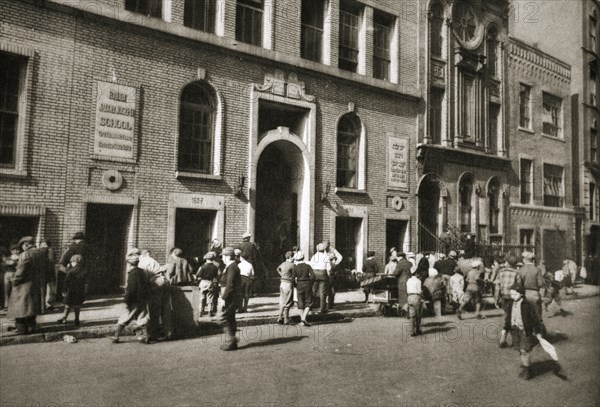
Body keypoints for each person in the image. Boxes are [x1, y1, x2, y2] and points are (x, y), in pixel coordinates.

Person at [7, 236, 50, 334]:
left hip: (23, 286)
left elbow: (20, 272)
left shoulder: (25, 255)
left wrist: (13, 280)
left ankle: (21, 329)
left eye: (22, 246)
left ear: (26, 244)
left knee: (20, 308)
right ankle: (32, 327)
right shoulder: (42, 253)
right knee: (31, 307)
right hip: (37, 285)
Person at [503, 281, 544, 380]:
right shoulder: (510, 304)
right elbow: (508, 318)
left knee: (524, 350)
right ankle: (526, 365)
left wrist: (538, 332)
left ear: (521, 294)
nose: (512, 296)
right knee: (520, 349)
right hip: (515, 330)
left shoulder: (527, 305)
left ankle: (527, 370)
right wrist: (505, 330)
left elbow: (535, 319)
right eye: (511, 294)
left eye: (515, 294)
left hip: (525, 330)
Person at [111, 248, 151, 344]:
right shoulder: (143, 272)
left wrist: (127, 300)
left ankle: (116, 336)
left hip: (133, 301)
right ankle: (144, 336)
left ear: (129, 263)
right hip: (143, 299)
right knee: (142, 318)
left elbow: (131, 289)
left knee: (125, 318)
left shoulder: (132, 274)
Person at [218, 247, 242, 351]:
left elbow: (230, 284)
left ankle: (231, 339)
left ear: (227, 256)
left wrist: (224, 298)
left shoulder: (232, 267)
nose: (222, 258)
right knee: (230, 318)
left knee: (223, 317)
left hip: (230, 296)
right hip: (231, 295)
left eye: (223, 256)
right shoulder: (231, 266)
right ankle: (231, 342)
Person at [496, 254, 521, 348]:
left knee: (508, 316)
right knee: (512, 318)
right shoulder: (516, 272)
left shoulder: (501, 271)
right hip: (513, 297)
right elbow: (519, 286)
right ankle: (511, 339)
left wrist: (496, 298)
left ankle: (505, 338)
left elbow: (497, 286)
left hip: (504, 297)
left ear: (507, 262)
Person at [518, 251, 545, 333]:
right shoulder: (537, 269)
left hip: (524, 294)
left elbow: (519, 285)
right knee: (537, 315)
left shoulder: (521, 270)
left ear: (525, 259)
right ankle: (539, 334)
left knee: (526, 316)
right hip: (535, 294)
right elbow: (541, 283)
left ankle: (529, 336)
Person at [58, 232, 89, 301]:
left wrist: (64, 264)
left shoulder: (73, 246)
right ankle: (79, 300)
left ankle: (69, 299)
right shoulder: (87, 246)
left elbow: (66, 257)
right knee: (81, 284)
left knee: (71, 282)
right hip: (83, 268)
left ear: (76, 239)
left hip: (73, 266)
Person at [57, 254, 86, 326]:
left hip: (71, 290)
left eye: (72, 262)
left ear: (75, 262)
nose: (71, 263)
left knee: (67, 305)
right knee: (77, 305)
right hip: (80, 290)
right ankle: (77, 319)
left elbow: (66, 281)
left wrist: (64, 290)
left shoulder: (71, 271)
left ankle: (64, 318)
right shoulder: (84, 271)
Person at [292, 251, 315, 326]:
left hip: (299, 284)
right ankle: (303, 318)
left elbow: (292, 279)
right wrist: (310, 283)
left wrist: (295, 285)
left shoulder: (295, 268)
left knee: (300, 302)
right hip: (307, 283)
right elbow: (313, 276)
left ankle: (302, 319)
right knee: (309, 301)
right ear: (303, 257)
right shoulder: (307, 266)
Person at [196, 251, 219, 318]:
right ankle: (210, 311)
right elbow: (217, 275)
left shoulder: (203, 266)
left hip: (203, 282)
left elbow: (198, 275)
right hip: (211, 282)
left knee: (202, 297)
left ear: (206, 259)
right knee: (210, 297)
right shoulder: (215, 267)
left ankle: (201, 311)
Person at [310, 243, 331, 314]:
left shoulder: (313, 256)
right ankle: (322, 308)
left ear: (317, 249)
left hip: (315, 273)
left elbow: (311, 266)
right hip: (323, 273)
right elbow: (329, 268)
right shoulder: (326, 257)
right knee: (323, 291)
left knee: (313, 290)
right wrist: (328, 276)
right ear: (324, 249)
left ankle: (310, 306)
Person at [276, 251, 295, 324]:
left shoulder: (283, 263)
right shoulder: (292, 265)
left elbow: (277, 269)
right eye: (293, 256)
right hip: (288, 283)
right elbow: (294, 275)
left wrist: (282, 275)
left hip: (282, 283)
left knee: (282, 300)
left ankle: (280, 316)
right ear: (290, 257)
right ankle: (286, 318)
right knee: (288, 301)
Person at [324, 241, 343, 310]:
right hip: (325, 271)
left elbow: (340, 257)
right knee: (327, 290)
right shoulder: (322, 250)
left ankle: (330, 304)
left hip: (330, 272)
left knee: (331, 290)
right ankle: (326, 304)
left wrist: (335, 263)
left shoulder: (332, 250)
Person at [406, 269, 423, 336]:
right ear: (416, 273)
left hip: (409, 297)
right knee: (418, 315)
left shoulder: (408, 280)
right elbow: (419, 291)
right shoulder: (418, 281)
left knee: (412, 315)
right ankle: (418, 329)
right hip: (416, 296)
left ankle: (411, 331)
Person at [3, 244, 20, 309]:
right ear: (11, 251)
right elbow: (4, 265)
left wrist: (14, 263)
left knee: (15, 289)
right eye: (13, 250)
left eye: (17, 250)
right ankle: (7, 305)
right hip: (7, 274)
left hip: (15, 274)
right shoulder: (8, 258)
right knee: (7, 290)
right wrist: (6, 263)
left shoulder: (20, 258)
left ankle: (15, 305)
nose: (15, 251)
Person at [395, 252, 412, 316]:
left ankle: (404, 310)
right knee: (408, 294)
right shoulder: (409, 263)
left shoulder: (400, 263)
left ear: (400, 257)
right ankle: (409, 307)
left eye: (397, 257)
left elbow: (396, 273)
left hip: (402, 281)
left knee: (403, 295)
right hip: (409, 279)